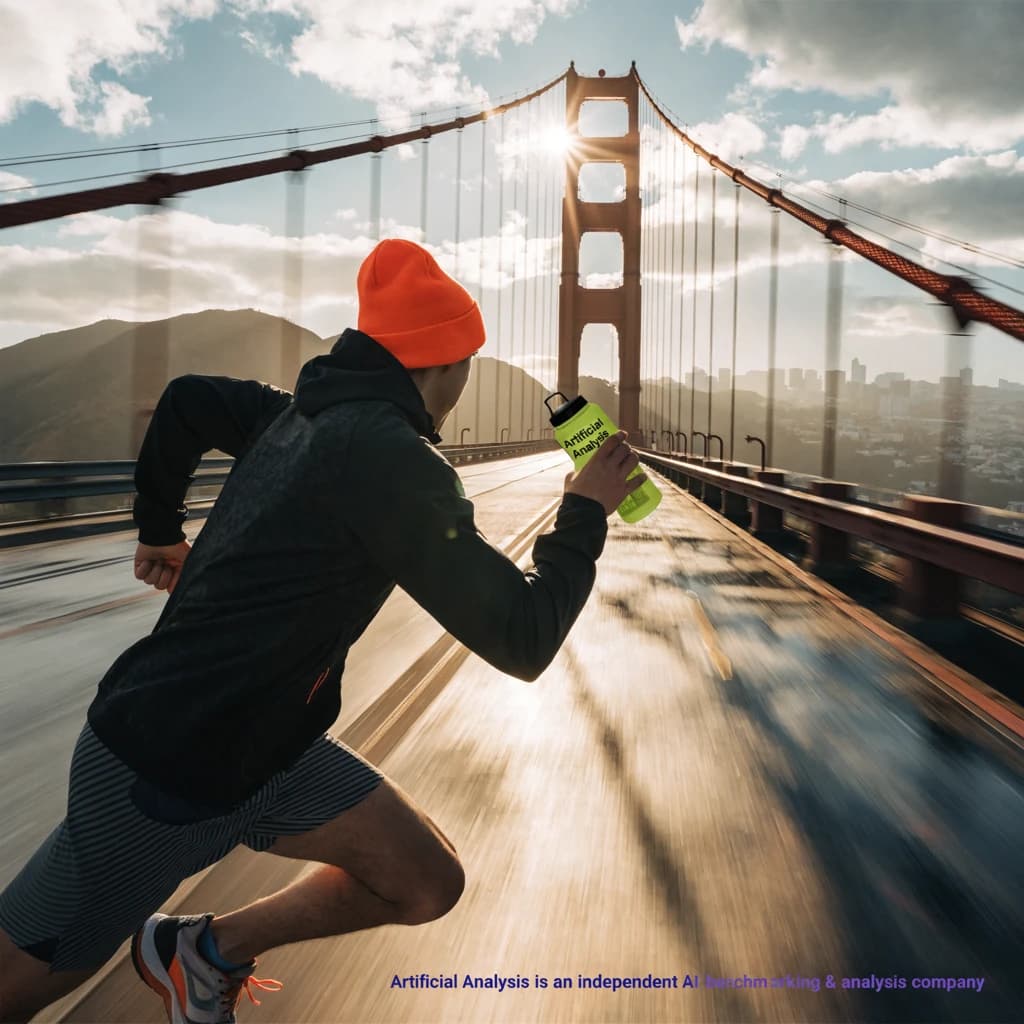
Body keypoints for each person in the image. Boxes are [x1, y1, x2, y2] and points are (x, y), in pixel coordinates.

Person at [0, 238, 647, 1024]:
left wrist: (159, 527)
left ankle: (200, 951)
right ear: (446, 364)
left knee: (424, 881)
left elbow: (186, 401)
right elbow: (524, 636)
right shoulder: (389, 458)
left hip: (266, 753)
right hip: (161, 771)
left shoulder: (295, 412)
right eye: (469, 361)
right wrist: (584, 511)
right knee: (15, 984)